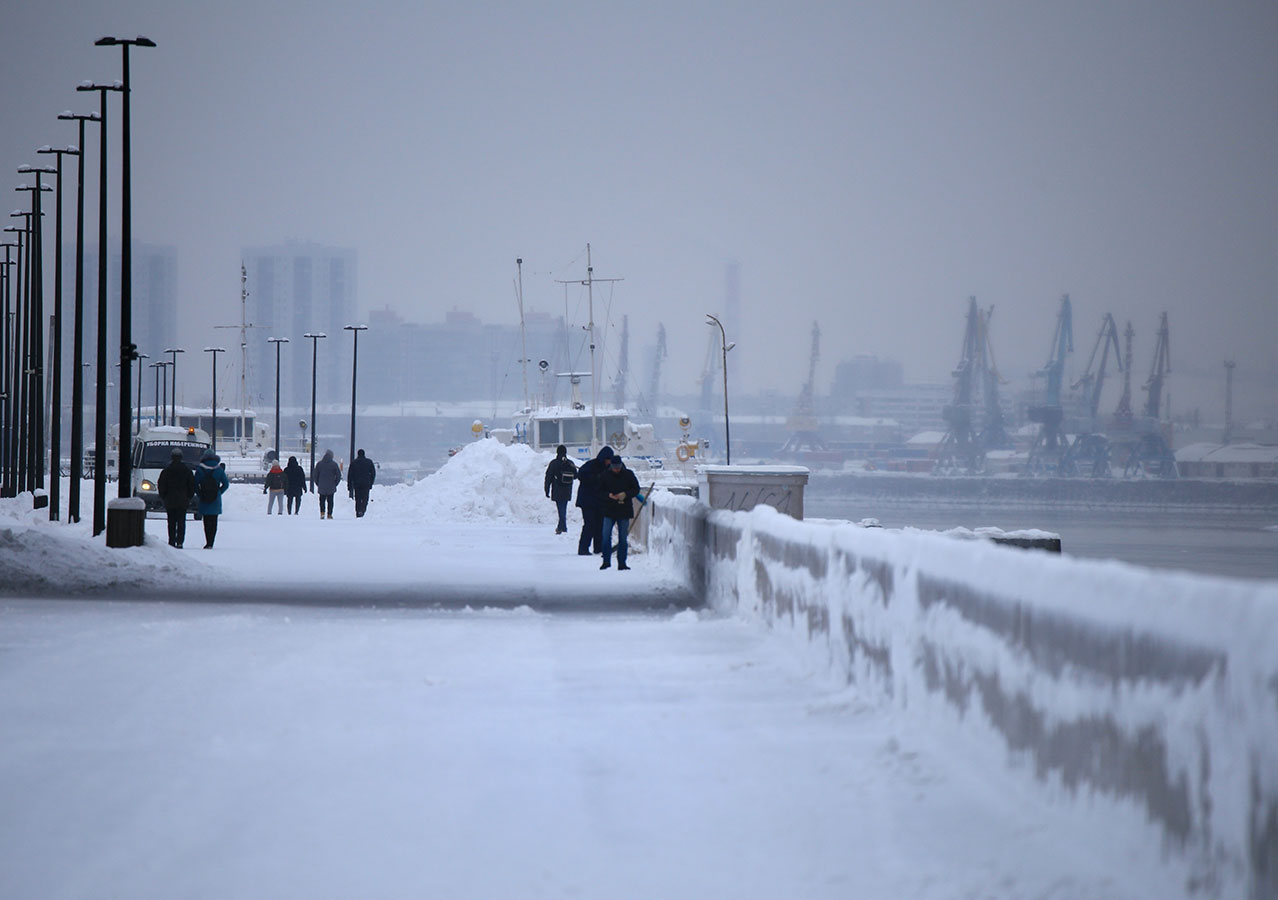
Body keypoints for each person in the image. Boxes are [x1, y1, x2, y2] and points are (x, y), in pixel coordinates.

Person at [597, 453, 641, 570]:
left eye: (618, 467)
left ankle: (622, 563)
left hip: (623, 510)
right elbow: (599, 491)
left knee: (622, 538)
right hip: (609, 509)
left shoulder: (629, 475)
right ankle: (606, 561)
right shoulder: (604, 475)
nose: (616, 470)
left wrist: (625, 494)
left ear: (621, 465)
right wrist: (609, 495)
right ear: (611, 466)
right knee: (606, 536)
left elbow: (636, 489)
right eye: (614, 467)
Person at [575, 445, 614, 556]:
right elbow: (580, 475)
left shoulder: (608, 469)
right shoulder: (591, 466)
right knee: (590, 524)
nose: (609, 462)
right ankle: (583, 548)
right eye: (608, 460)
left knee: (600, 525)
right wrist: (596, 478)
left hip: (600, 502)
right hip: (587, 501)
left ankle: (599, 547)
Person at [156, 448, 195, 548]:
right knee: (181, 521)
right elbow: (192, 486)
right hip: (182, 500)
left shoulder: (166, 471)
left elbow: (161, 485)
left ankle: (172, 541)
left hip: (170, 500)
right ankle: (180, 541)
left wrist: (164, 496)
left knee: (171, 522)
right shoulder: (187, 470)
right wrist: (188, 496)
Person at [193, 449, 231, 549]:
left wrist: (200, 494)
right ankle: (211, 542)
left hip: (204, 498)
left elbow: (195, 484)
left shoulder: (200, 469)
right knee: (213, 522)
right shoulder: (219, 469)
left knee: (206, 522)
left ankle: (207, 541)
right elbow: (226, 484)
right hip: (215, 499)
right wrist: (219, 492)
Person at [544, 444, 577, 534]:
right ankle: (561, 526)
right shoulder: (570, 463)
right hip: (567, 490)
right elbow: (575, 475)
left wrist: (546, 490)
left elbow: (548, 477)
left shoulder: (554, 463)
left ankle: (563, 527)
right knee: (563, 508)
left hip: (557, 490)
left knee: (561, 509)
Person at [313, 448, 342, 519]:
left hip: (322, 485)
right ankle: (329, 514)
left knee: (322, 500)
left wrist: (318, 483)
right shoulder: (334, 464)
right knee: (330, 501)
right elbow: (338, 475)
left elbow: (315, 475)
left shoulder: (319, 464)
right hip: (331, 485)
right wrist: (335, 484)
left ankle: (322, 513)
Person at [347, 448, 377, 518]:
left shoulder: (354, 462)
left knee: (358, 498)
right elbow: (373, 473)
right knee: (365, 498)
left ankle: (358, 511)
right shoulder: (369, 462)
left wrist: (349, 485)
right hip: (366, 483)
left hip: (357, 483)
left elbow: (350, 475)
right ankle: (362, 510)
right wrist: (371, 483)